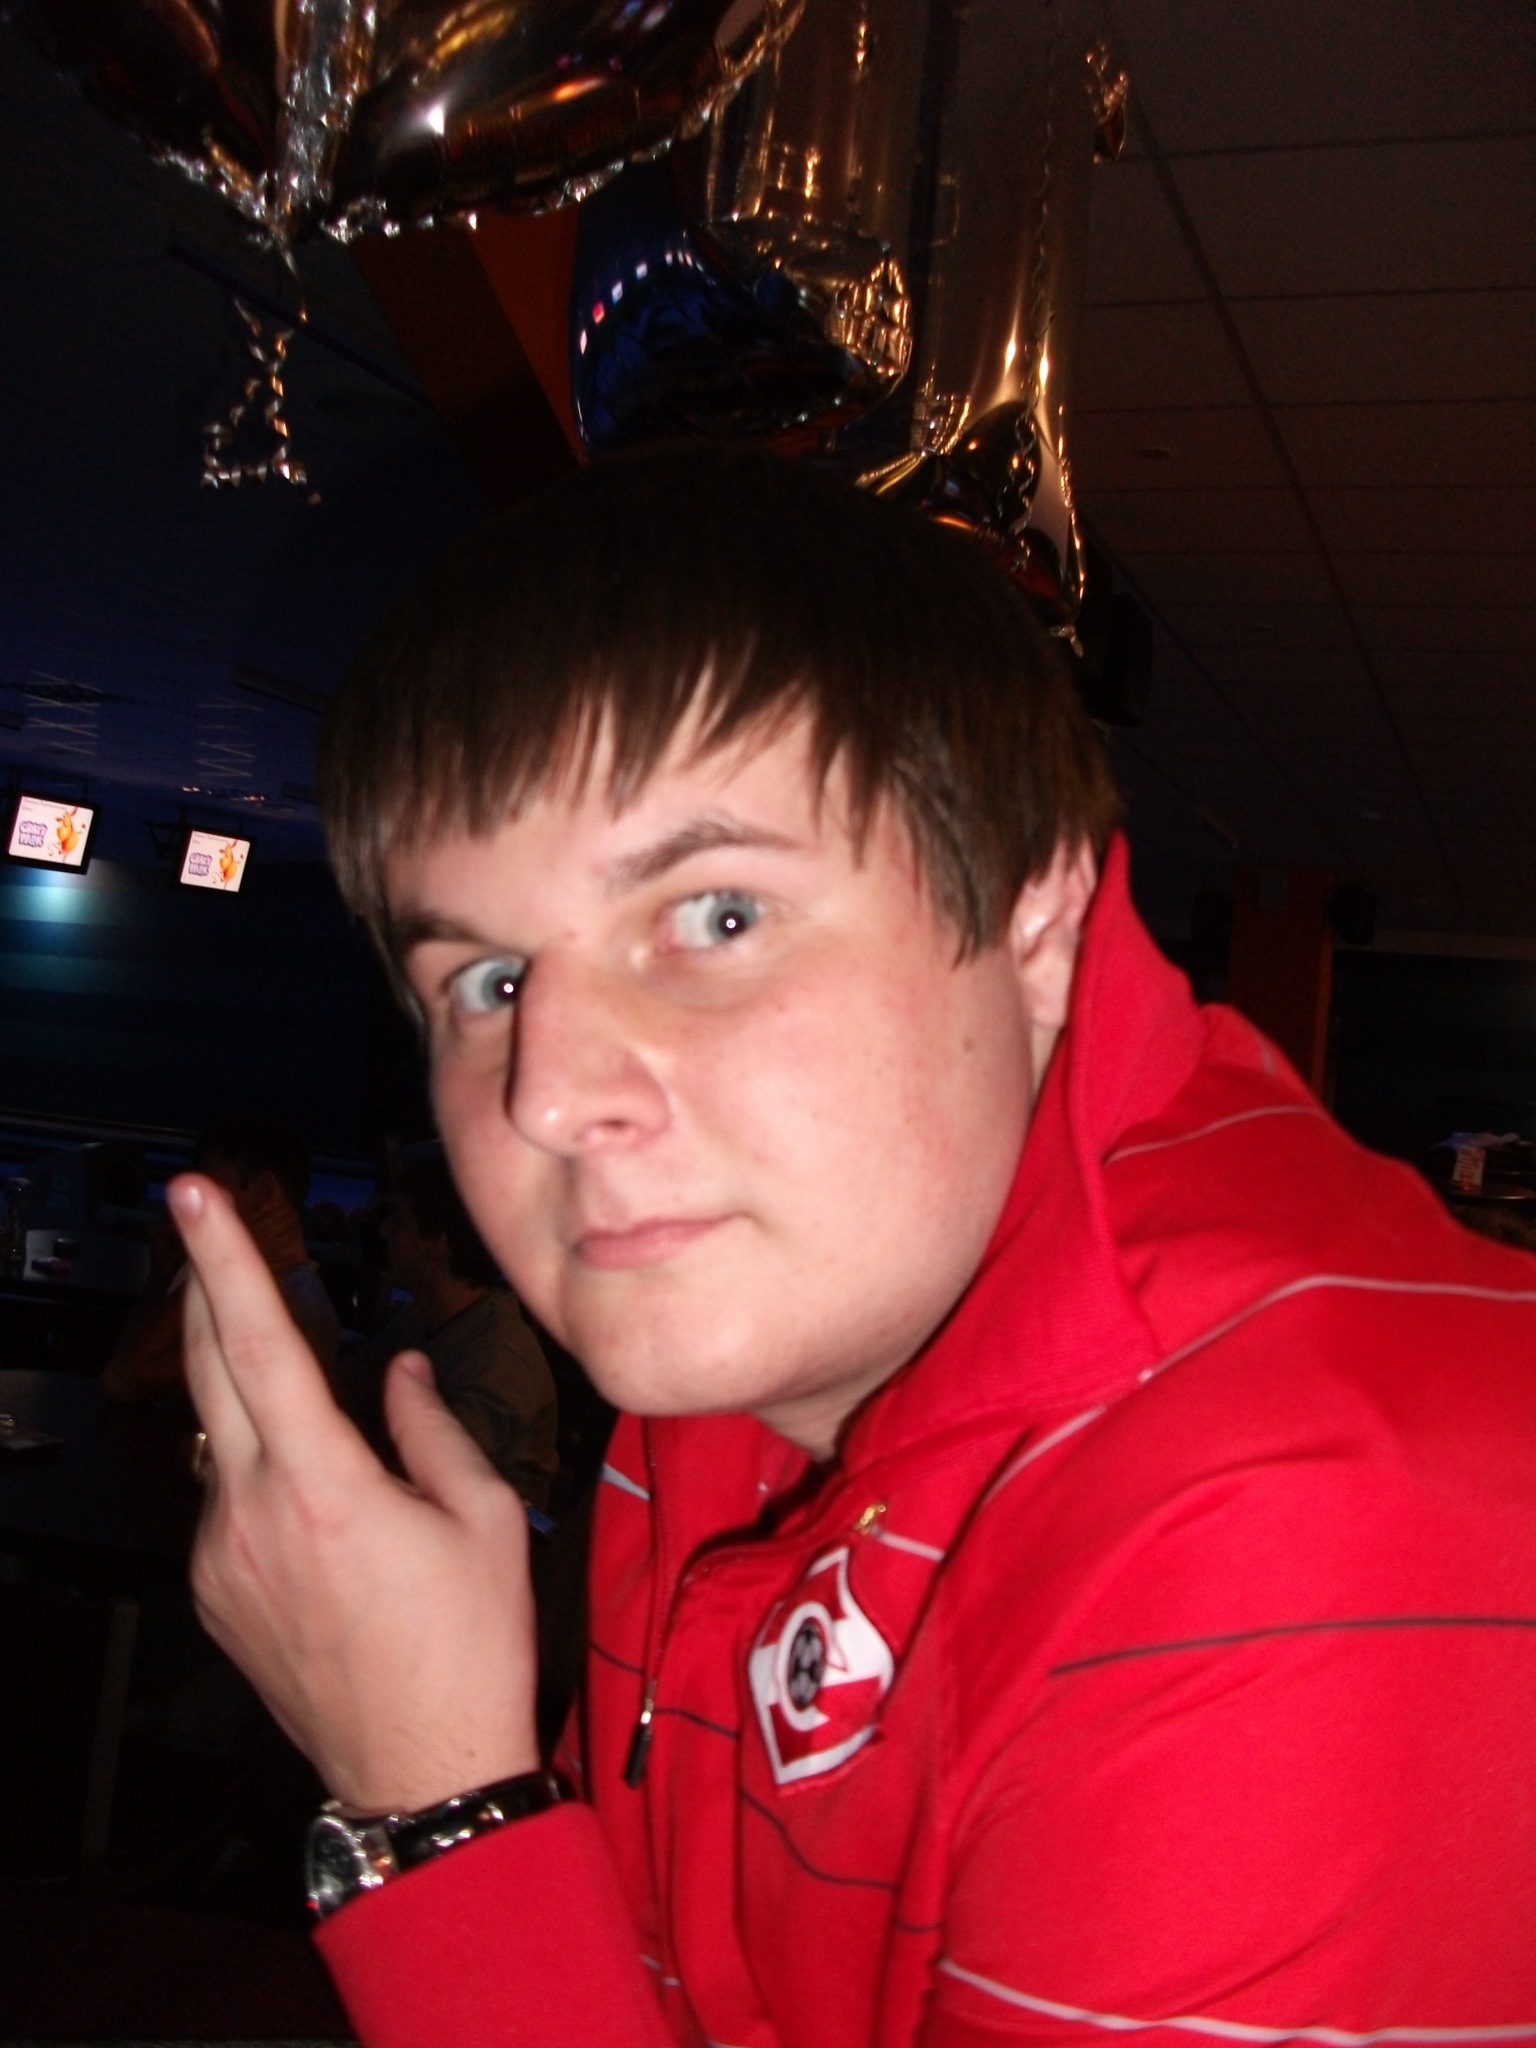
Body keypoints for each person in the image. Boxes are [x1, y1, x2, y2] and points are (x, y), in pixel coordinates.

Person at [169, 446, 1536, 2046]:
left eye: (718, 916)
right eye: (490, 981)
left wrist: (430, 1805)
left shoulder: (1306, 1504)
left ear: (1035, 926)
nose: (549, 1096)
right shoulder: (749, 1345)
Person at [341, 1151, 559, 1510]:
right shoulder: (421, 1318)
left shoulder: (499, 1361)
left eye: (399, 1221)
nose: (384, 1231)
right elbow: (351, 1385)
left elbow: (424, 1484)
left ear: (436, 1244)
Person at [102, 1113, 339, 1401]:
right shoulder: (266, 1288)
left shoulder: (285, 1303)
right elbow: (120, 1370)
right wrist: (162, 1275)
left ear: (264, 1193)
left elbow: (126, 1374)